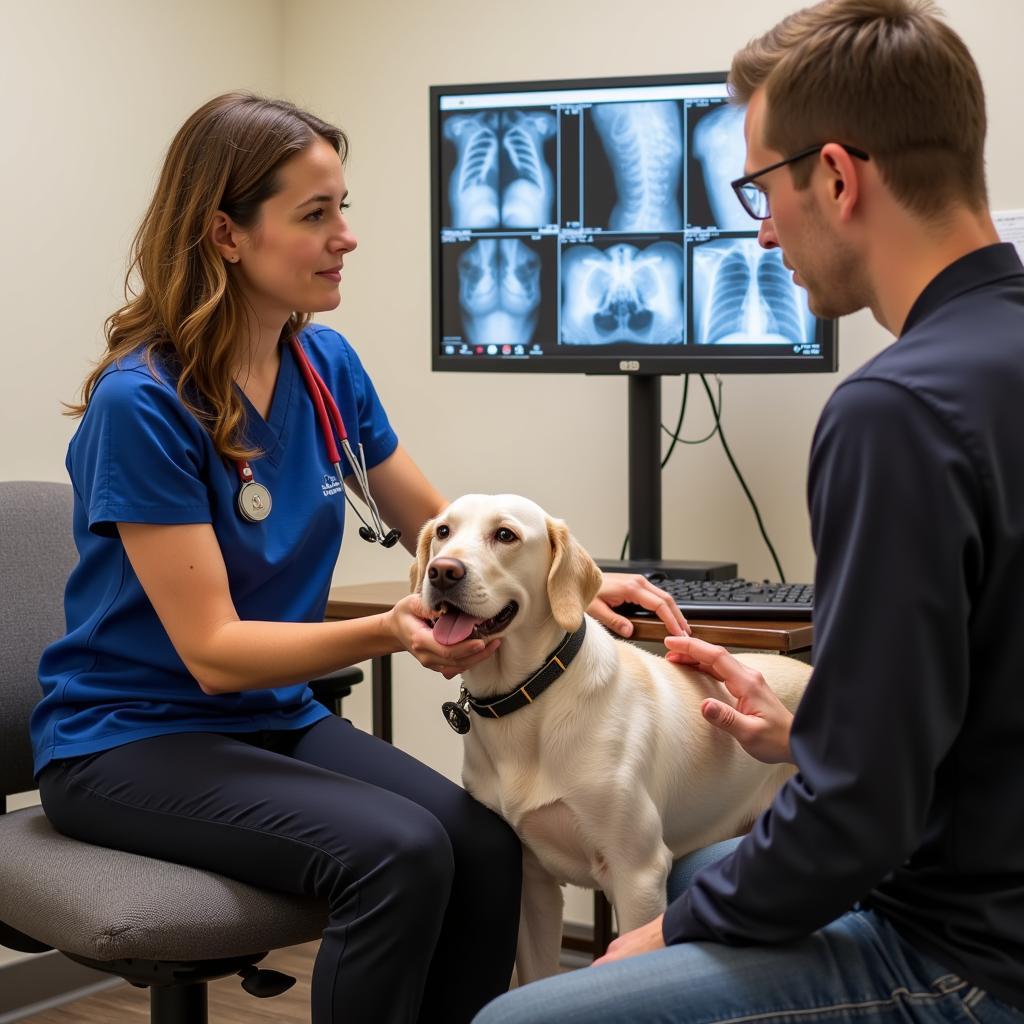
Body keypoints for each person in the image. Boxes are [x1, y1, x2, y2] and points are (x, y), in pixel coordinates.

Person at [30, 92, 686, 1024]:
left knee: (488, 844)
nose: (346, 236)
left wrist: (572, 575)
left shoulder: (324, 369)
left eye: (344, 208)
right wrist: (390, 630)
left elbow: (442, 527)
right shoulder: (143, 406)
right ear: (225, 233)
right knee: (398, 852)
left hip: (269, 720)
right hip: (130, 740)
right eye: (314, 215)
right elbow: (213, 651)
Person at [473, 1, 1024, 1021]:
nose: (762, 227)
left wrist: (653, 938)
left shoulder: (896, 412)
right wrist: (820, 731)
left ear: (836, 176)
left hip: (966, 955)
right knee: (701, 870)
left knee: (516, 1016)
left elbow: (856, 819)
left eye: (759, 188)